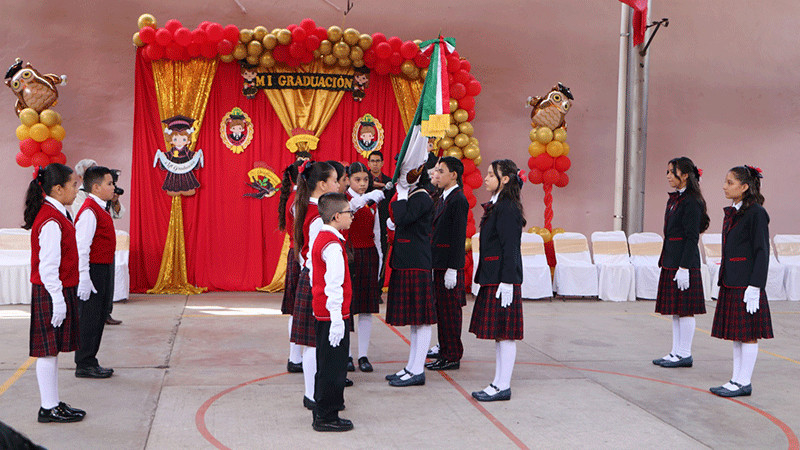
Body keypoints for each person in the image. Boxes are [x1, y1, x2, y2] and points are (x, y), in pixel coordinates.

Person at [22, 163, 86, 423]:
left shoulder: (59, 212)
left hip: (57, 289)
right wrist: (58, 301)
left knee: (53, 350)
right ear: (58, 189)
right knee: (47, 351)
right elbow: (48, 267)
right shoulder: (50, 219)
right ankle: (48, 407)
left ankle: (53, 402)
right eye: (73, 185)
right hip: (51, 291)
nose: (76, 190)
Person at [710, 165, 773, 397]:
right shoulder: (735, 212)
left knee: (747, 334)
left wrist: (756, 286)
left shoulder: (756, 212)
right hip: (731, 280)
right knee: (737, 334)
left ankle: (744, 381)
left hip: (746, 283)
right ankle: (736, 379)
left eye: (730, 182)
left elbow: (761, 251)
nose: (724, 186)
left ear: (744, 187)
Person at [469, 159, 525, 402]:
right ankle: (497, 382)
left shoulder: (508, 207)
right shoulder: (497, 204)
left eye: (492, 174)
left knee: (506, 334)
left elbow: (511, 246)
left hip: (502, 278)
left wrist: (508, 281)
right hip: (493, 275)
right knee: (500, 334)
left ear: (504, 179)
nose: (486, 178)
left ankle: (503, 385)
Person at [652, 157, 709, 368]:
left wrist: (684, 267)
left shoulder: (692, 201)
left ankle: (685, 353)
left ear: (684, 175)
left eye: (671, 172)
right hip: (671, 259)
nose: (668, 176)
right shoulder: (674, 199)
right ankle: (676, 352)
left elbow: (692, 236)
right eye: (667, 171)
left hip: (684, 262)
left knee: (685, 309)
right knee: (676, 309)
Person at [292, 161, 340, 410]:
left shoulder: (308, 207)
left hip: (310, 277)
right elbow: (313, 254)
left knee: (313, 342)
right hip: (315, 281)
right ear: (322, 185)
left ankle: (313, 392)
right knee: (313, 342)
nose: (338, 184)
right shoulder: (318, 217)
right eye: (334, 180)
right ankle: (312, 394)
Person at [384, 165, 435, 387]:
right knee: (415, 320)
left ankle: (417, 370)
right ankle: (411, 366)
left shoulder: (421, 196)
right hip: (408, 261)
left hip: (416, 261)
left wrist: (402, 196)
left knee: (421, 320)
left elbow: (403, 219)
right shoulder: (414, 195)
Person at [311, 193, 355, 432]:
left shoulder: (322, 237)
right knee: (334, 367)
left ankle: (323, 409)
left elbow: (312, 274)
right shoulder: (333, 246)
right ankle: (327, 415)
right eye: (349, 212)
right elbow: (334, 285)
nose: (352, 217)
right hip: (332, 315)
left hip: (323, 312)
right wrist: (337, 318)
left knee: (325, 363)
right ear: (337, 216)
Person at [74, 166, 117, 379]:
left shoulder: (101, 207)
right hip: (93, 269)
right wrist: (84, 277)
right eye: (109, 183)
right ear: (96, 187)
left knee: (99, 316)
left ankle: (91, 359)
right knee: (90, 317)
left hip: (102, 267)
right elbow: (82, 247)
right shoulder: (90, 210)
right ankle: (84, 362)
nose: (113, 187)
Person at [426, 157, 469, 371]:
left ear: (454, 175)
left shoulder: (458, 200)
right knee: (442, 311)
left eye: (441, 171)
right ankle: (444, 351)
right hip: (439, 263)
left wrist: (453, 268)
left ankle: (452, 354)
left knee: (450, 312)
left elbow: (458, 237)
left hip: (448, 266)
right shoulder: (442, 196)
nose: (437, 174)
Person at [73, 159, 125, 326]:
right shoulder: (82, 198)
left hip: (105, 248)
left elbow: (117, 214)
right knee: (91, 304)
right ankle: (96, 317)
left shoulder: (102, 198)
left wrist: (114, 200)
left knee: (107, 285)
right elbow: (83, 238)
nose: (112, 186)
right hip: (93, 252)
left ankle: (106, 311)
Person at [344, 162, 382, 372]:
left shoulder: (373, 204)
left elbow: (376, 234)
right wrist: (366, 198)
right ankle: (347, 355)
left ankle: (363, 355)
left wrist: (379, 262)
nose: (362, 184)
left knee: (366, 309)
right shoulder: (344, 200)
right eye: (357, 180)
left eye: (366, 180)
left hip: (368, 254)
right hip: (349, 255)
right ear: (348, 179)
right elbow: (349, 212)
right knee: (347, 309)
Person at [278, 161, 303, 373]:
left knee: (297, 308)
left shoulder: (297, 198)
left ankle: (296, 357)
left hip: (297, 253)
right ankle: (295, 357)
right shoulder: (297, 201)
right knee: (297, 308)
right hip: (299, 255)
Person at [367, 151, 393, 287]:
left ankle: (378, 288)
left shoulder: (389, 182)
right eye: (372, 161)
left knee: (382, 254)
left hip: (383, 225)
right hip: (366, 224)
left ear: (382, 163)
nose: (375, 164)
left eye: (378, 161)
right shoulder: (363, 181)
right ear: (368, 163)